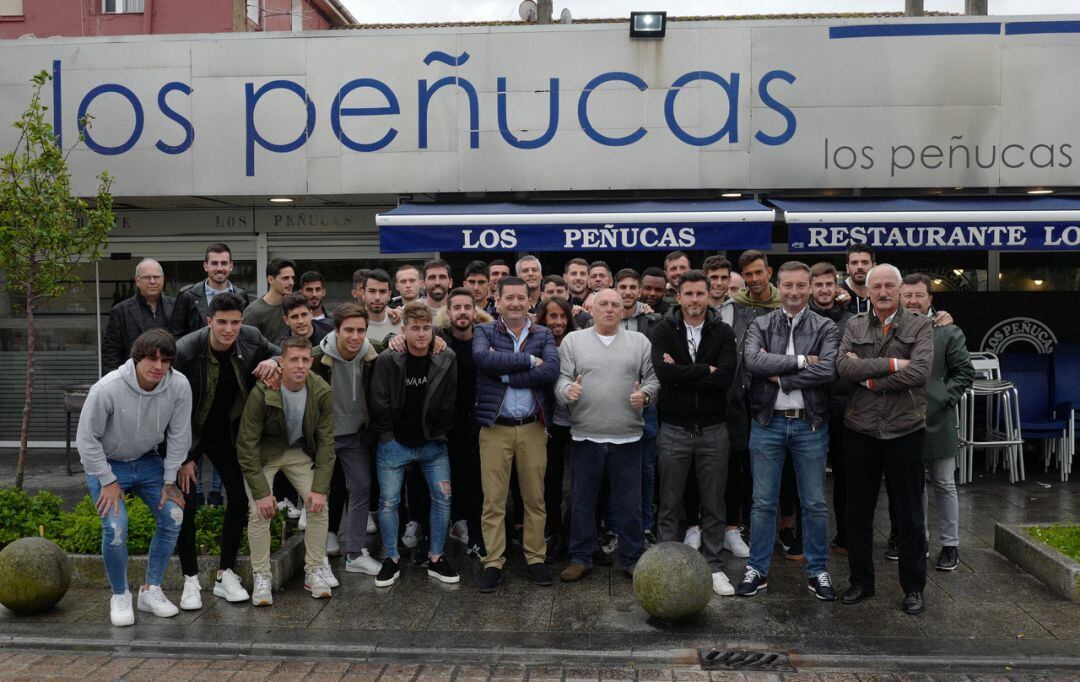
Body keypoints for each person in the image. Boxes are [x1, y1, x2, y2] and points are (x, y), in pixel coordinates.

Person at [736, 261, 840, 601]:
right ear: (779, 286)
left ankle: (818, 571)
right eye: (788, 285)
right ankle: (757, 569)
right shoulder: (761, 322)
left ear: (809, 287)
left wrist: (781, 375)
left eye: (800, 285)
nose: (794, 292)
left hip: (810, 423)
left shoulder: (826, 326)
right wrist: (798, 361)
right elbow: (753, 362)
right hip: (767, 422)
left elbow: (827, 370)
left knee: (814, 503)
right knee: (762, 502)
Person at [173, 292, 282, 610]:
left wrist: (273, 360)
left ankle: (225, 573)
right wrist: (182, 458)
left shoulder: (250, 336)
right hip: (189, 435)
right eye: (221, 322)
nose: (229, 329)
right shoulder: (186, 349)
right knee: (186, 506)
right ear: (209, 322)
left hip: (226, 433)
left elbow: (289, 352)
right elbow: (169, 408)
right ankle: (190, 580)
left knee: (239, 497)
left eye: (235, 322)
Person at [76, 329, 192, 626]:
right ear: (136, 357)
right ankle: (120, 595)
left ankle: (151, 590)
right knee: (115, 528)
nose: (159, 366)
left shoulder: (178, 386)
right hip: (107, 464)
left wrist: (169, 480)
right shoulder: (107, 388)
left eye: (166, 360)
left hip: (147, 461)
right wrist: (107, 480)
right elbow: (87, 440)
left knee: (174, 515)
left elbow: (179, 436)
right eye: (152, 359)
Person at [837, 264, 934, 615]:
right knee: (857, 513)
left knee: (909, 515)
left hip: (905, 430)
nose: (881, 292)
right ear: (867, 290)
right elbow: (843, 368)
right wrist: (895, 364)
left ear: (899, 289)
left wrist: (874, 377)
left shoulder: (920, 325)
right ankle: (861, 582)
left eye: (888, 286)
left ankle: (913, 588)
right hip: (860, 429)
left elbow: (921, 371)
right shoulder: (854, 324)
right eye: (875, 286)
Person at [556, 288, 659, 581]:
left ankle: (631, 557)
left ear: (623, 309)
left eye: (616, 304)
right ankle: (580, 557)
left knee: (629, 504)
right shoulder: (573, 341)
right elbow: (561, 379)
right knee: (582, 502)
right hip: (585, 436)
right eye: (604, 304)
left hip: (627, 438)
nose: (610, 309)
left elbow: (653, 379)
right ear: (592, 307)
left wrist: (647, 397)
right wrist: (567, 390)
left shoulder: (639, 341)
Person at [650, 270, 738, 596]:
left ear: (709, 294)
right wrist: (704, 370)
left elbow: (726, 377)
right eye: (689, 294)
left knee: (714, 503)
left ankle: (713, 566)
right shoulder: (663, 330)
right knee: (670, 504)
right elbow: (663, 373)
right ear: (679, 296)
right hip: (673, 428)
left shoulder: (723, 332)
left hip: (714, 429)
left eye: (701, 293)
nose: (695, 300)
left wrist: (682, 373)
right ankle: (665, 567)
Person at [473, 276, 560, 592]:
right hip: (495, 428)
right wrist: (526, 361)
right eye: (508, 297)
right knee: (494, 501)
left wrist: (506, 375)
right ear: (497, 299)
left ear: (529, 300)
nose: (514, 303)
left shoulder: (543, 333)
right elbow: (483, 360)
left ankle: (536, 558)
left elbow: (550, 371)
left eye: (520, 298)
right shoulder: (484, 331)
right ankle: (493, 562)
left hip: (532, 427)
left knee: (535, 499)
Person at [238, 336, 337, 604]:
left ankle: (314, 570)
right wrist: (261, 493)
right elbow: (246, 444)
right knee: (260, 511)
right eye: (294, 359)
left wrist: (319, 490)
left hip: (298, 452)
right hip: (265, 454)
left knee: (319, 505)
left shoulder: (321, 391)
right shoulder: (264, 390)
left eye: (305, 360)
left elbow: (327, 444)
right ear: (281, 362)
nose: (300, 365)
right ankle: (262, 576)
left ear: (311, 362)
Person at [369, 303, 459, 587]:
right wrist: (387, 437)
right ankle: (392, 558)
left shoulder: (446, 356)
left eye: (426, 329)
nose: (421, 334)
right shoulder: (388, 358)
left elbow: (449, 400)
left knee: (442, 499)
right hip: (394, 443)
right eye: (415, 328)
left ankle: (436, 557)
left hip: (433, 443)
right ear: (403, 329)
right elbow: (379, 401)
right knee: (388, 502)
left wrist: (440, 433)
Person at [900, 273, 974, 572]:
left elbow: (964, 372)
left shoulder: (948, 331)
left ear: (931, 299)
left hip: (939, 419)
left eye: (919, 295)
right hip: (903, 419)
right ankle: (920, 541)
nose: (913, 300)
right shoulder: (894, 330)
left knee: (944, 484)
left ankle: (950, 545)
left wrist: (943, 396)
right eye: (908, 295)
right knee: (913, 488)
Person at [312, 302, 382, 576]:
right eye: (349, 330)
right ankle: (316, 561)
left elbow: (397, 343)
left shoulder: (372, 352)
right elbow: (286, 356)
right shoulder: (317, 356)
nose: (355, 336)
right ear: (336, 330)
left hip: (354, 435)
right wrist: (272, 360)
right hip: (323, 437)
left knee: (362, 487)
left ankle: (354, 554)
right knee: (317, 495)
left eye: (360, 330)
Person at [435, 288, 493, 559]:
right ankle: (457, 525)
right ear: (448, 312)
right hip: (448, 422)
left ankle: (477, 535)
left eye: (466, 307)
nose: (461, 312)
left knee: (476, 479)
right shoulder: (440, 341)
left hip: (480, 419)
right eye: (455, 307)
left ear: (474, 310)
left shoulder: (486, 338)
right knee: (452, 478)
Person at [808, 262, 855, 555]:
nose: (824, 290)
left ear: (836, 286)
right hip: (810, 406)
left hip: (844, 408)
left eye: (829, 284)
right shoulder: (802, 319)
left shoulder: (851, 321)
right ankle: (808, 537)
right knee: (809, 478)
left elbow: (849, 362)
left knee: (845, 477)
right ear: (811, 287)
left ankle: (845, 536)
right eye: (819, 285)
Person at [537, 295, 577, 558]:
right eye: (553, 316)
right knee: (550, 483)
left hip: (578, 423)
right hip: (549, 424)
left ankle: (575, 533)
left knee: (578, 484)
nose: (558, 322)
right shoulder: (537, 342)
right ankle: (556, 533)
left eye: (563, 316)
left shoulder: (578, 342)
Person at [103, 258, 175, 372]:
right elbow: (111, 352)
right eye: (147, 277)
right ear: (137, 281)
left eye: (156, 277)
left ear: (163, 280)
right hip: (133, 378)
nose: (152, 281)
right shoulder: (121, 311)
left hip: (169, 376)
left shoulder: (176, 306)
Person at [171, 242, 249, 338]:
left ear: (231, 266)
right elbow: (177, 336)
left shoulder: (241, 296)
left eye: (224, 263)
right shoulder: (188, 296)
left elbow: (245, 333)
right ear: (205, 266)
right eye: (214, 263)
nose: (219, 268)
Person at [243, 257, 296, 342]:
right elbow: (247, 345)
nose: (291, 283)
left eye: (292, 278)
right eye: (285, 278)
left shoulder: (293, 306)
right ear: (270, 280)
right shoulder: (254, 311)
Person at [363, 269, 402, 350]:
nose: (377, 297)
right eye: (372, 291)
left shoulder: (402, 323)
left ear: (389, 295)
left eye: (383, 292)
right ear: (363, 293)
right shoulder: (353, 326)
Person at [838, 243, 874, 315]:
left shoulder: (881, 294)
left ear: (874, 266)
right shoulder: (837, 294)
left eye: (865, 262)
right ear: (847, 268)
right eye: (854, 263)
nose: (859, 267)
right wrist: (837, 307)